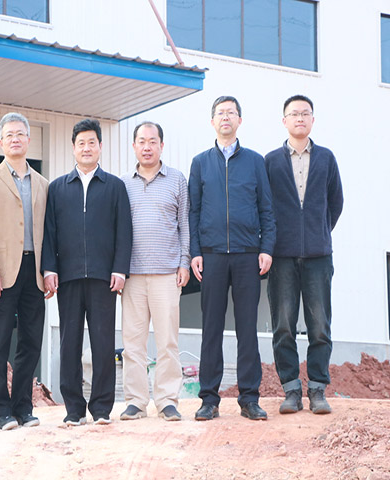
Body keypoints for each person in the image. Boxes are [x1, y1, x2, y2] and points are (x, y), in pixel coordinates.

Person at [189, 96, 275, 421]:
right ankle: (209, 399)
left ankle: (249, 398)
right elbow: (193, 211)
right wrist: (195, 252)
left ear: (240, 120)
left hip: (246, 256)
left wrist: (266, 248)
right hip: (211, 257)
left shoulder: (255, 161)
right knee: (211, 329)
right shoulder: (200, 163)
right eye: (220, 113)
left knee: (247, 329)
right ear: (212, 121)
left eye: (231, 112)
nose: (225, 117)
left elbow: (266, 209)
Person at [42, 118, 132, 426]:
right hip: (67, 277)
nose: (86, 148)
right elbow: (49, 232)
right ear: (73, 148)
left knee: (103, 343)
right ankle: (74, 409)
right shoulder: (58, 188)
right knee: (69, 343)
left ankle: (102, 408)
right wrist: (49, 269)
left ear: (100, 147)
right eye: (81, 143)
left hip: (104, 277)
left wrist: (120, 269)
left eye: (92, 142)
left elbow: (124, 231)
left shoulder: (115, 187)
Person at [265, 95, 343, 415]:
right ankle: (291, 390)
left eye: (305, 113)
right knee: (283, 324)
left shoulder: (326, 158)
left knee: (320, 325)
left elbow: (335, 202)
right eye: (294, 113)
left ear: (312, 119)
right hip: (281, 256)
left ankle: (318, 389)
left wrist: (317, 232)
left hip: (318, 256)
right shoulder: (270, 161)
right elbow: (265, 207)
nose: (300, 118)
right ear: (284, 120)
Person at [0, 112, 48, 431]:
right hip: (2, 272)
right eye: (9, 135)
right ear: (1, 142)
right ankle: (0, 410)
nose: (15, 139)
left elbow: (50, 232)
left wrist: (49, 270)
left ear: (29, 140)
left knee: (31, 342)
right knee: (0, 341)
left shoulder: (43, 184)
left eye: (20, 134)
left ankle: (23, 407)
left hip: (35, 271)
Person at [119, 122, 190, 422]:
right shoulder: (123, 183)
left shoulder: (177, 180)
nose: (147, 147)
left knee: (167, 342)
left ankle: (167, 400)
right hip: (132, 275)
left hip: (167, 274)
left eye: (152, 141)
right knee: (132, 343)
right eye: (141, 141)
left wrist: (184, 262)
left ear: (161, 145)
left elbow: (184, 224)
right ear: (134, 146)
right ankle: (136, 401)